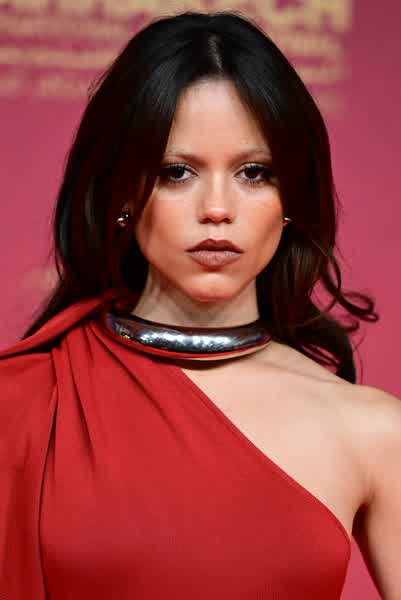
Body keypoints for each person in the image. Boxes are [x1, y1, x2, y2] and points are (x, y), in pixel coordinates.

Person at [0, 9, 400, 600]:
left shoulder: (372, 431)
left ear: (291, 198)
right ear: (122, 193)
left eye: (254, 173)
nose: (217, 207)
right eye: (177, 172)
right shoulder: (22, 401)